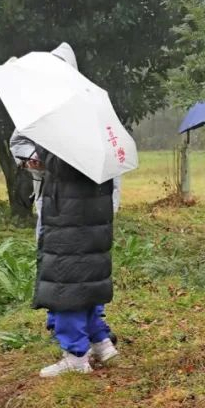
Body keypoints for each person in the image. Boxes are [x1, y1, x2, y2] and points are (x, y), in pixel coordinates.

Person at [34, 144, 118, 377]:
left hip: (69, 226)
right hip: (90, 223)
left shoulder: (69, 139)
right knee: (84, 286)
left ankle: (76, 358)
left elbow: (63, 166)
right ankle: (101, 342)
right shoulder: (98, 139)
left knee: (66, 291)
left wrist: (43, 150)